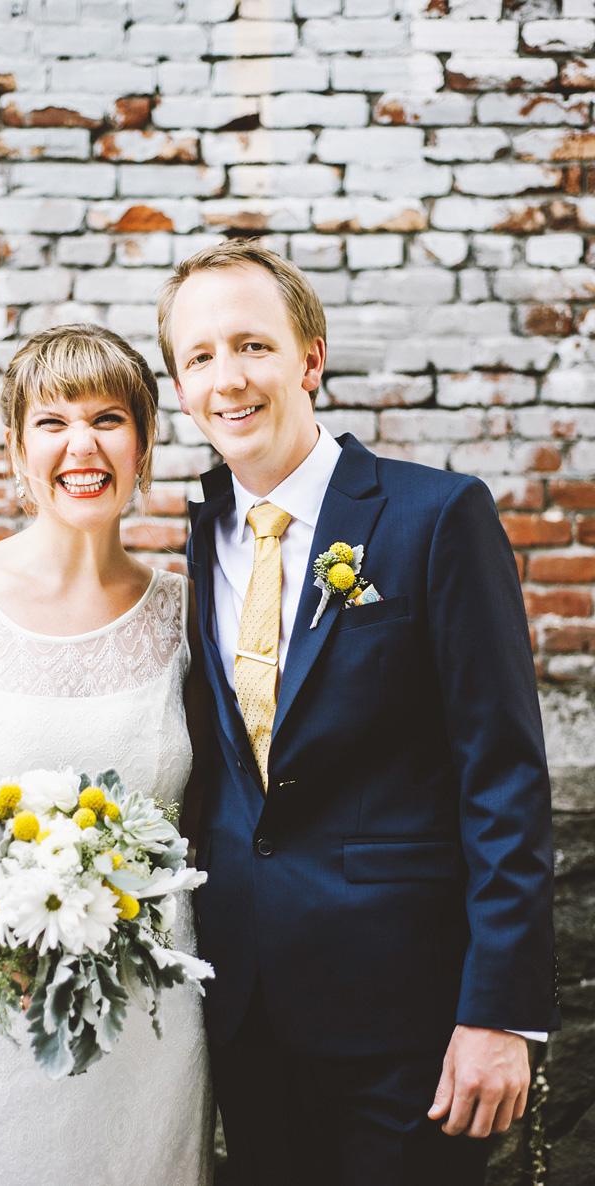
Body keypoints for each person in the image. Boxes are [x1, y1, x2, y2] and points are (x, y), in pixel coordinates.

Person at [162, 239, 558, 1185]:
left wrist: (500, 1012)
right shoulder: (200, 532)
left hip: (408, 1018)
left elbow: (503, 775)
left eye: (252, 346)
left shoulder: (435, 517)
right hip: (246, 1015)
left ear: (310, 358)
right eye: (200, 357)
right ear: (180, 386)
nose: (229, 378)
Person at [0, 324, 213, 1185]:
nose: (81, 445)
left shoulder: (189, 613)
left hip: (148, 1019)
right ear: (16, 447)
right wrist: (2, 924)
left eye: (108, 419)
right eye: (52, 422)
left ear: (144, 444)